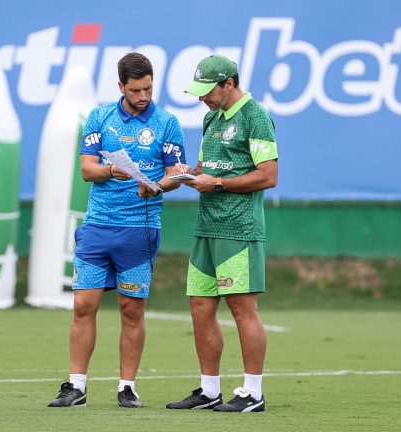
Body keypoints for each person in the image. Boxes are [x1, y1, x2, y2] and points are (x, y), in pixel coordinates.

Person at [48, 52, 188, 408]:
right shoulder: (99, 116)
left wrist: (156, 184)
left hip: (139, 229)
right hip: (97, 226)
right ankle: (76, 386)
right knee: (83, 304)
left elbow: (176, 174)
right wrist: (113, 171)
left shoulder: (168, 122)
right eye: (136, 89)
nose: (143, 96)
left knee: (131, 310)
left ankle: (127, 386)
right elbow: (86, 169)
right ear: (121, 86)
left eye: (148, 88)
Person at [166, 54, 278, 413]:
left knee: (242, 309)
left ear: (229, 83)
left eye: (207, 91)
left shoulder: (256, 116)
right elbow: (206, 169)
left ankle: (253, 392)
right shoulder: (210, 118)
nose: (202, 98)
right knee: (200, 307)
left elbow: (268, 175)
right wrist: (188, 173)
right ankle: (209, 389)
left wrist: (217, 184)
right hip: (206, 228)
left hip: (239, 228)